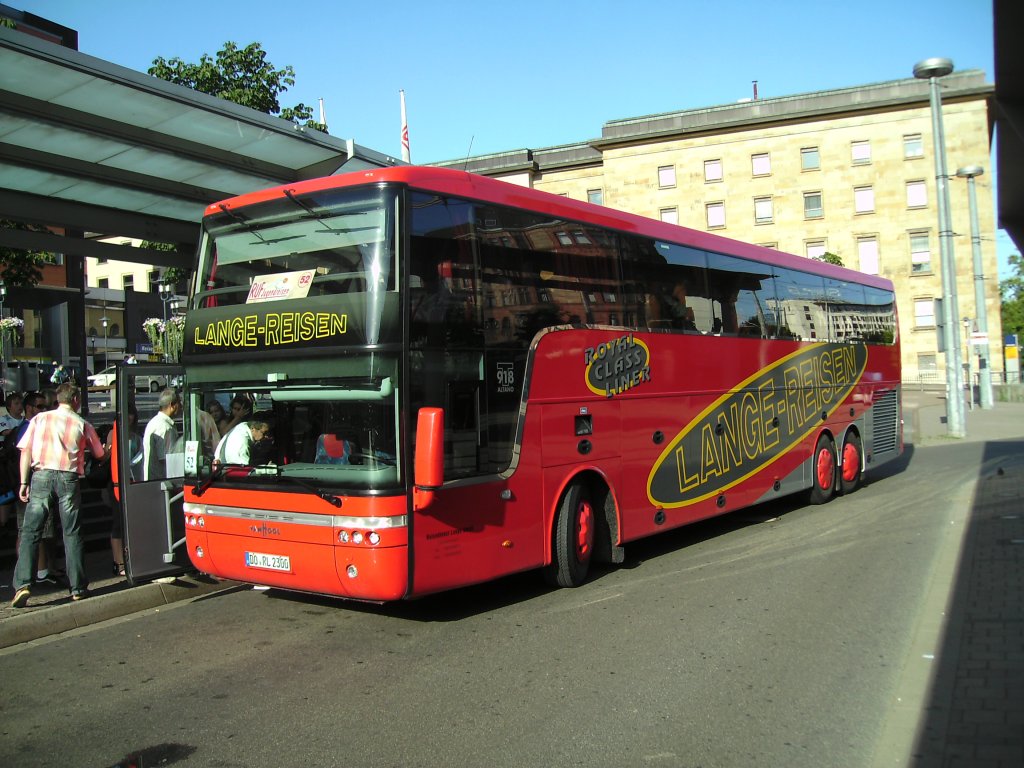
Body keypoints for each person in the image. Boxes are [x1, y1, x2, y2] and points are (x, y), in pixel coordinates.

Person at [11, 383, 105, 607]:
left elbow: (25, 451)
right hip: (68, 479)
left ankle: (23, 585)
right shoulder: (82, 423)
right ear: (75, 400)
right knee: (72, 533)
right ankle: (78, 588)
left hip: (41, 476)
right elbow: (99, 453)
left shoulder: (39, 419)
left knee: (31, 531)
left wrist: (24, 482)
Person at [142, 388, 182, 481]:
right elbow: (165, 459)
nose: (181, 406)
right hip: (160, 482)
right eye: (179, 403)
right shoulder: (164, 427)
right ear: (172, 405)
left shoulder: (155, 421)